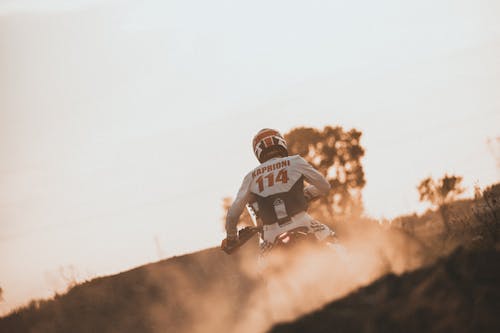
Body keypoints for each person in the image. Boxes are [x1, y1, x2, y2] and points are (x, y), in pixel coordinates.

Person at [222, 128, 334, 253]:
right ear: (281, 142)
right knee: (334, 243)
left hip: (271, 234)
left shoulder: (250, 177)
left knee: (263, 270)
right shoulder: (295, 161)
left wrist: (231, 238)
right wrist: (307, 194)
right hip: (303, 221)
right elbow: (324, 186)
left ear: (257, 151)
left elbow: (233, 213)